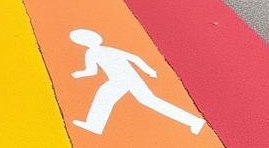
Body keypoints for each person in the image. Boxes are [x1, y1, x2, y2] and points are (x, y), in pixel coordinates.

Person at [69, 29, 205, 136]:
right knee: (147, 100)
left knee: (107, 95)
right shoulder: (103, 50)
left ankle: (94, 125)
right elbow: (133, 58)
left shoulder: (93, 52)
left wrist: (79, 74)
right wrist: (148, 70)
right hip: (127, 78)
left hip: (122, 79)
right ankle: (194, 121)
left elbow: (93, 71)